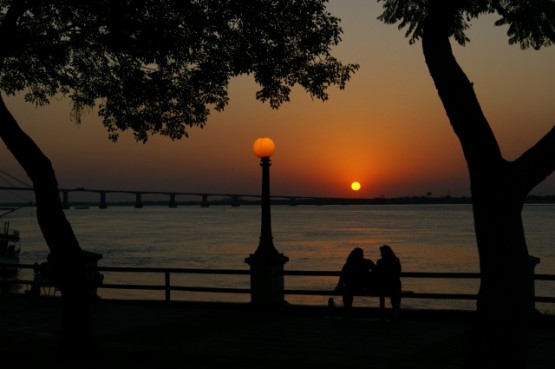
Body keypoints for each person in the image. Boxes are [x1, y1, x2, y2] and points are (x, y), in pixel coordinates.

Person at [334, 247, 376, 311]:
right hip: (364, 286)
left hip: (351, 287)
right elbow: (376, 271)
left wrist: (339, 286)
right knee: (347, 290)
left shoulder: (348, 264)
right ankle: (348, 309)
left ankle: (348, 309)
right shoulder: (367, 262)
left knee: (347, 292)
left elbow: (342, 278)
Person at [376, 244, 402, 319]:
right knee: (395, 302)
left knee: (393, 299)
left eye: (382, 253)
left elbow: (378, 273)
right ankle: (396, 316)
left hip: (385, 285)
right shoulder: (395, 260)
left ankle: (385, 315)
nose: (381, 254)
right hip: (394, 285)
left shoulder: (380, 262)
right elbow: (398, 272)